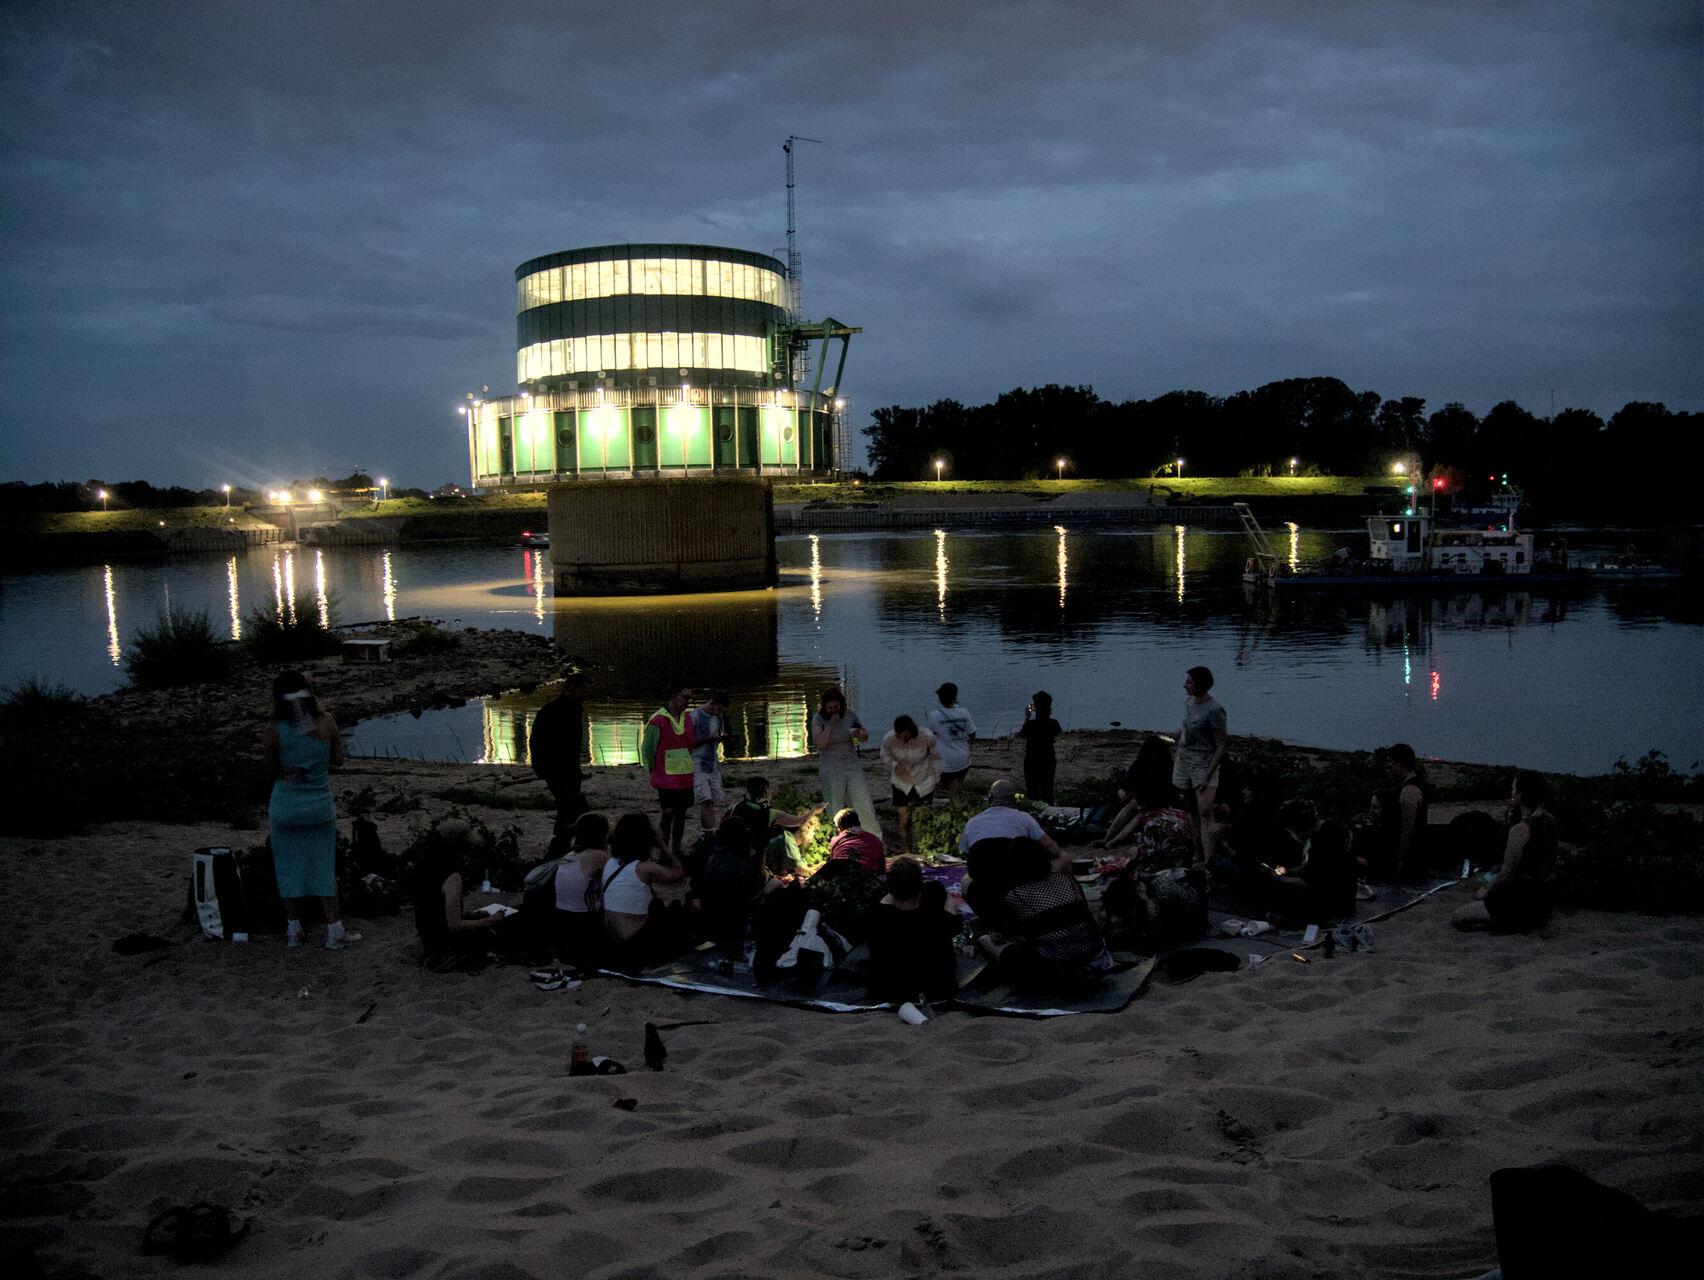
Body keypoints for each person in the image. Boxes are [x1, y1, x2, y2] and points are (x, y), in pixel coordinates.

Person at [263, 670, 355, 950]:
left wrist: (288, 770)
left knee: (287, 866)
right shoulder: (326, 722)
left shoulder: (273, 727)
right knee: (324, 867)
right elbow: (338, 760)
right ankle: (334, 929)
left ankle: (294, 929)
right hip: (317, 805)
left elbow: (270, 770)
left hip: (286, 805)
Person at [977, 837, 1114, 989]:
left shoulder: (1016, 895)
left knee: (986, 941)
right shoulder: (1067, 880)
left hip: (1057, 967)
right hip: (1096, 958)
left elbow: (1015, 933)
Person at [1452, 771, 1559, 933]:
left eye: (1514, 788)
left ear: (1521, 795)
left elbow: (1507, 874)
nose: (1512, 792)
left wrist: (1487, 894)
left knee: (1459, 917)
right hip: (1543, 900)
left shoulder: (1521, 829)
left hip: (1520, 900)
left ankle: (1509, 924)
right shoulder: (1551, 821)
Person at [411, 820, 520, 971]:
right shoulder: (452, 877)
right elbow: (454, 926)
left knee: (479, 918)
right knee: (503, 928)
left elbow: (436, 911)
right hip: (445, 949)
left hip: (429, 938)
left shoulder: (424, 865)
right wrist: (489, 921)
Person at [864, 856, 961, 1003]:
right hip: (937, 991)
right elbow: (952, 910)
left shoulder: (877, 918)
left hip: (890, 992)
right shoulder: (938, 921)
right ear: (919, 886)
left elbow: (885, 901)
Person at [600, 812, 687, 966]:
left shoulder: (610, 862)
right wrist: (662, 843)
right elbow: (679, 874)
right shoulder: (644, 869)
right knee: (677, 912)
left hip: (611, 939)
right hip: (633, 941)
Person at [539, 812, 611, 972]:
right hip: (583, 921)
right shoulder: (597, 856)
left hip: (560, 919)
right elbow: (616, 875)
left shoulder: (571, 854)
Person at [1267, 801, 1359, 923]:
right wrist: (1288, 871)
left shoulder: (1322, 842)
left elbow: (1311, 883)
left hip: (1335, 900)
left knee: (1282, 892)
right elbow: (1314, 867)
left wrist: (1279, 878)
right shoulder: (1332, 826)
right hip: (1346, 891)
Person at [810, 686, 879, 835]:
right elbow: (820, 743)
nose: (834, 710)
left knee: (862, 800)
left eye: (836, 707)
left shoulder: (850, 716)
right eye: (830, 708)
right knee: (835, 803)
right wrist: (831, 724)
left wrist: (859, 733)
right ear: (825, 707)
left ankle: (872, 837)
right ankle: (837, 837)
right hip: (831, 765)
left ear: (841, 705)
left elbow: (865, 736)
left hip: (851, 764)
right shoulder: (818, 718)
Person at [638, 682, 696, 858]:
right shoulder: (658, 720)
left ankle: (676, 850)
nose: (687, 702)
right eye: (684, 697)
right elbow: (647, 749)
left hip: (685, 775)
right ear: (672, 697)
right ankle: (664, 852)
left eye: (689, 698)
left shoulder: (687, 719)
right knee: (668, 814)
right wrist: (652, 770)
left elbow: (689, 745)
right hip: (666, 777)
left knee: (681, 814)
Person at [529, 671, 591, 834]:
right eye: (583, 691)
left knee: (567, 808)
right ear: (571, 688)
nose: (585, 695)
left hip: (568, 768)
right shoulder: (552, 711)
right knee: (571, 805)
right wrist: (541, 768)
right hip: (555, 769)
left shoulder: (572, 709)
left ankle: (563, 840)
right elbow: (537, 741)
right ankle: (563, 841)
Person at [1172, 666, 1228, 842]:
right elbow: (1187, 722)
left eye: (1189, 682)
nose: (1185, 685)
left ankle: (1208, 856)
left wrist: (1207, 776)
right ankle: (1196, 850)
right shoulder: (1189, 703)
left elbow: (1220, 745)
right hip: (1184, 759)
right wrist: (1178, 733)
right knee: (1191, 809)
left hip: (1203, 762)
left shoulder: (1214, 710)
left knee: (1205, 811)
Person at [698, 816, 765, 964]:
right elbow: (751, 902)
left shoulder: (713, 859)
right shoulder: (740, 867)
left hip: (710, 924)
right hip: (731, 928)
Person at [958, 778, 1068, 864]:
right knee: (1064, 858)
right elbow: (1051, 848)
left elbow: (967, 856)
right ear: (1015, 801)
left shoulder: (972, 822)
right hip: (1016, 879)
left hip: (983, 880)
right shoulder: (1024, 818)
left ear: (990, 798)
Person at [880, 715, 941, 858]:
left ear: (911, 730)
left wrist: (934, 779)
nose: (902, 738)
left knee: (921, 819)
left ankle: (923, 851)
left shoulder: (926, 736)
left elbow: (936, 758)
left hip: (924, 781)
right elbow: (884, 755)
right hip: (901, 783)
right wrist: (895, 765)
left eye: (905, 735)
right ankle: (908, 852)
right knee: (904, 818)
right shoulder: (889, 738)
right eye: (899, 735)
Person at [729, 776, 824, 861]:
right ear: (765, 790)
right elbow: (800, 821)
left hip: (728, 857)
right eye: (770, 790)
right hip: (751, 862)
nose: (771, 793)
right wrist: (814, 810)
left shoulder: (735, 807)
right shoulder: (770, 813)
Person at [1381, 743, 1432, 881]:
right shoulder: (1406, 786)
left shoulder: (1410, 790)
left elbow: (1408, 827)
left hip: (1410, 857)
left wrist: (1401, 859)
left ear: (1401, 763)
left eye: (1390, 761)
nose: (1388, 766)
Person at [689, 690, 732, 837]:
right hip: (697, 761)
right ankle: (711, 831)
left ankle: (706, 831)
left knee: (711, 799)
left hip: (712, 761)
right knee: (705, 798)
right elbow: (687, 743)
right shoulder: (694, 716)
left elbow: (718, 734)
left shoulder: (719, 717)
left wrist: (719, 738)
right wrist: (708, 739)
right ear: (712, 703)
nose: (719, 712)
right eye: (718, 709)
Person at [928, 682, 978, 804]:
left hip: (943, 761)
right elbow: (972, 733)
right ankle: (957, 806)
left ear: (940, 698)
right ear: (955, 697)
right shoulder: (964, 712)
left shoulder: (934, 715)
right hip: (961, 759)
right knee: (956, 788)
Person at [1016, 691, 1063, 804]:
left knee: (1032, 789)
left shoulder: (1030, 725)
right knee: (1047, 789)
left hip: (1032, 759)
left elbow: (1022, 734)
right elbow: (1057, 732)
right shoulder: (1053, 723)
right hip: (1048, 758)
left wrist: (1027, 717)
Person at [764, 809, 822, 882]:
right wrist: (823, 874)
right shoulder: (787, 840)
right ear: (805, 828)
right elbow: (800, 869)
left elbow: (802, 867)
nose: (814, 834)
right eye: (813, 830)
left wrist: (818, 867)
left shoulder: (796, 843)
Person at [826, 808, 886, 875]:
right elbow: (881, 869)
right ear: (859, 823)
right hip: (865, 877)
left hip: (842, 876)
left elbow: (832, 863)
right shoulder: (874, 839)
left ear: (840, 827)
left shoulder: (836, 841)